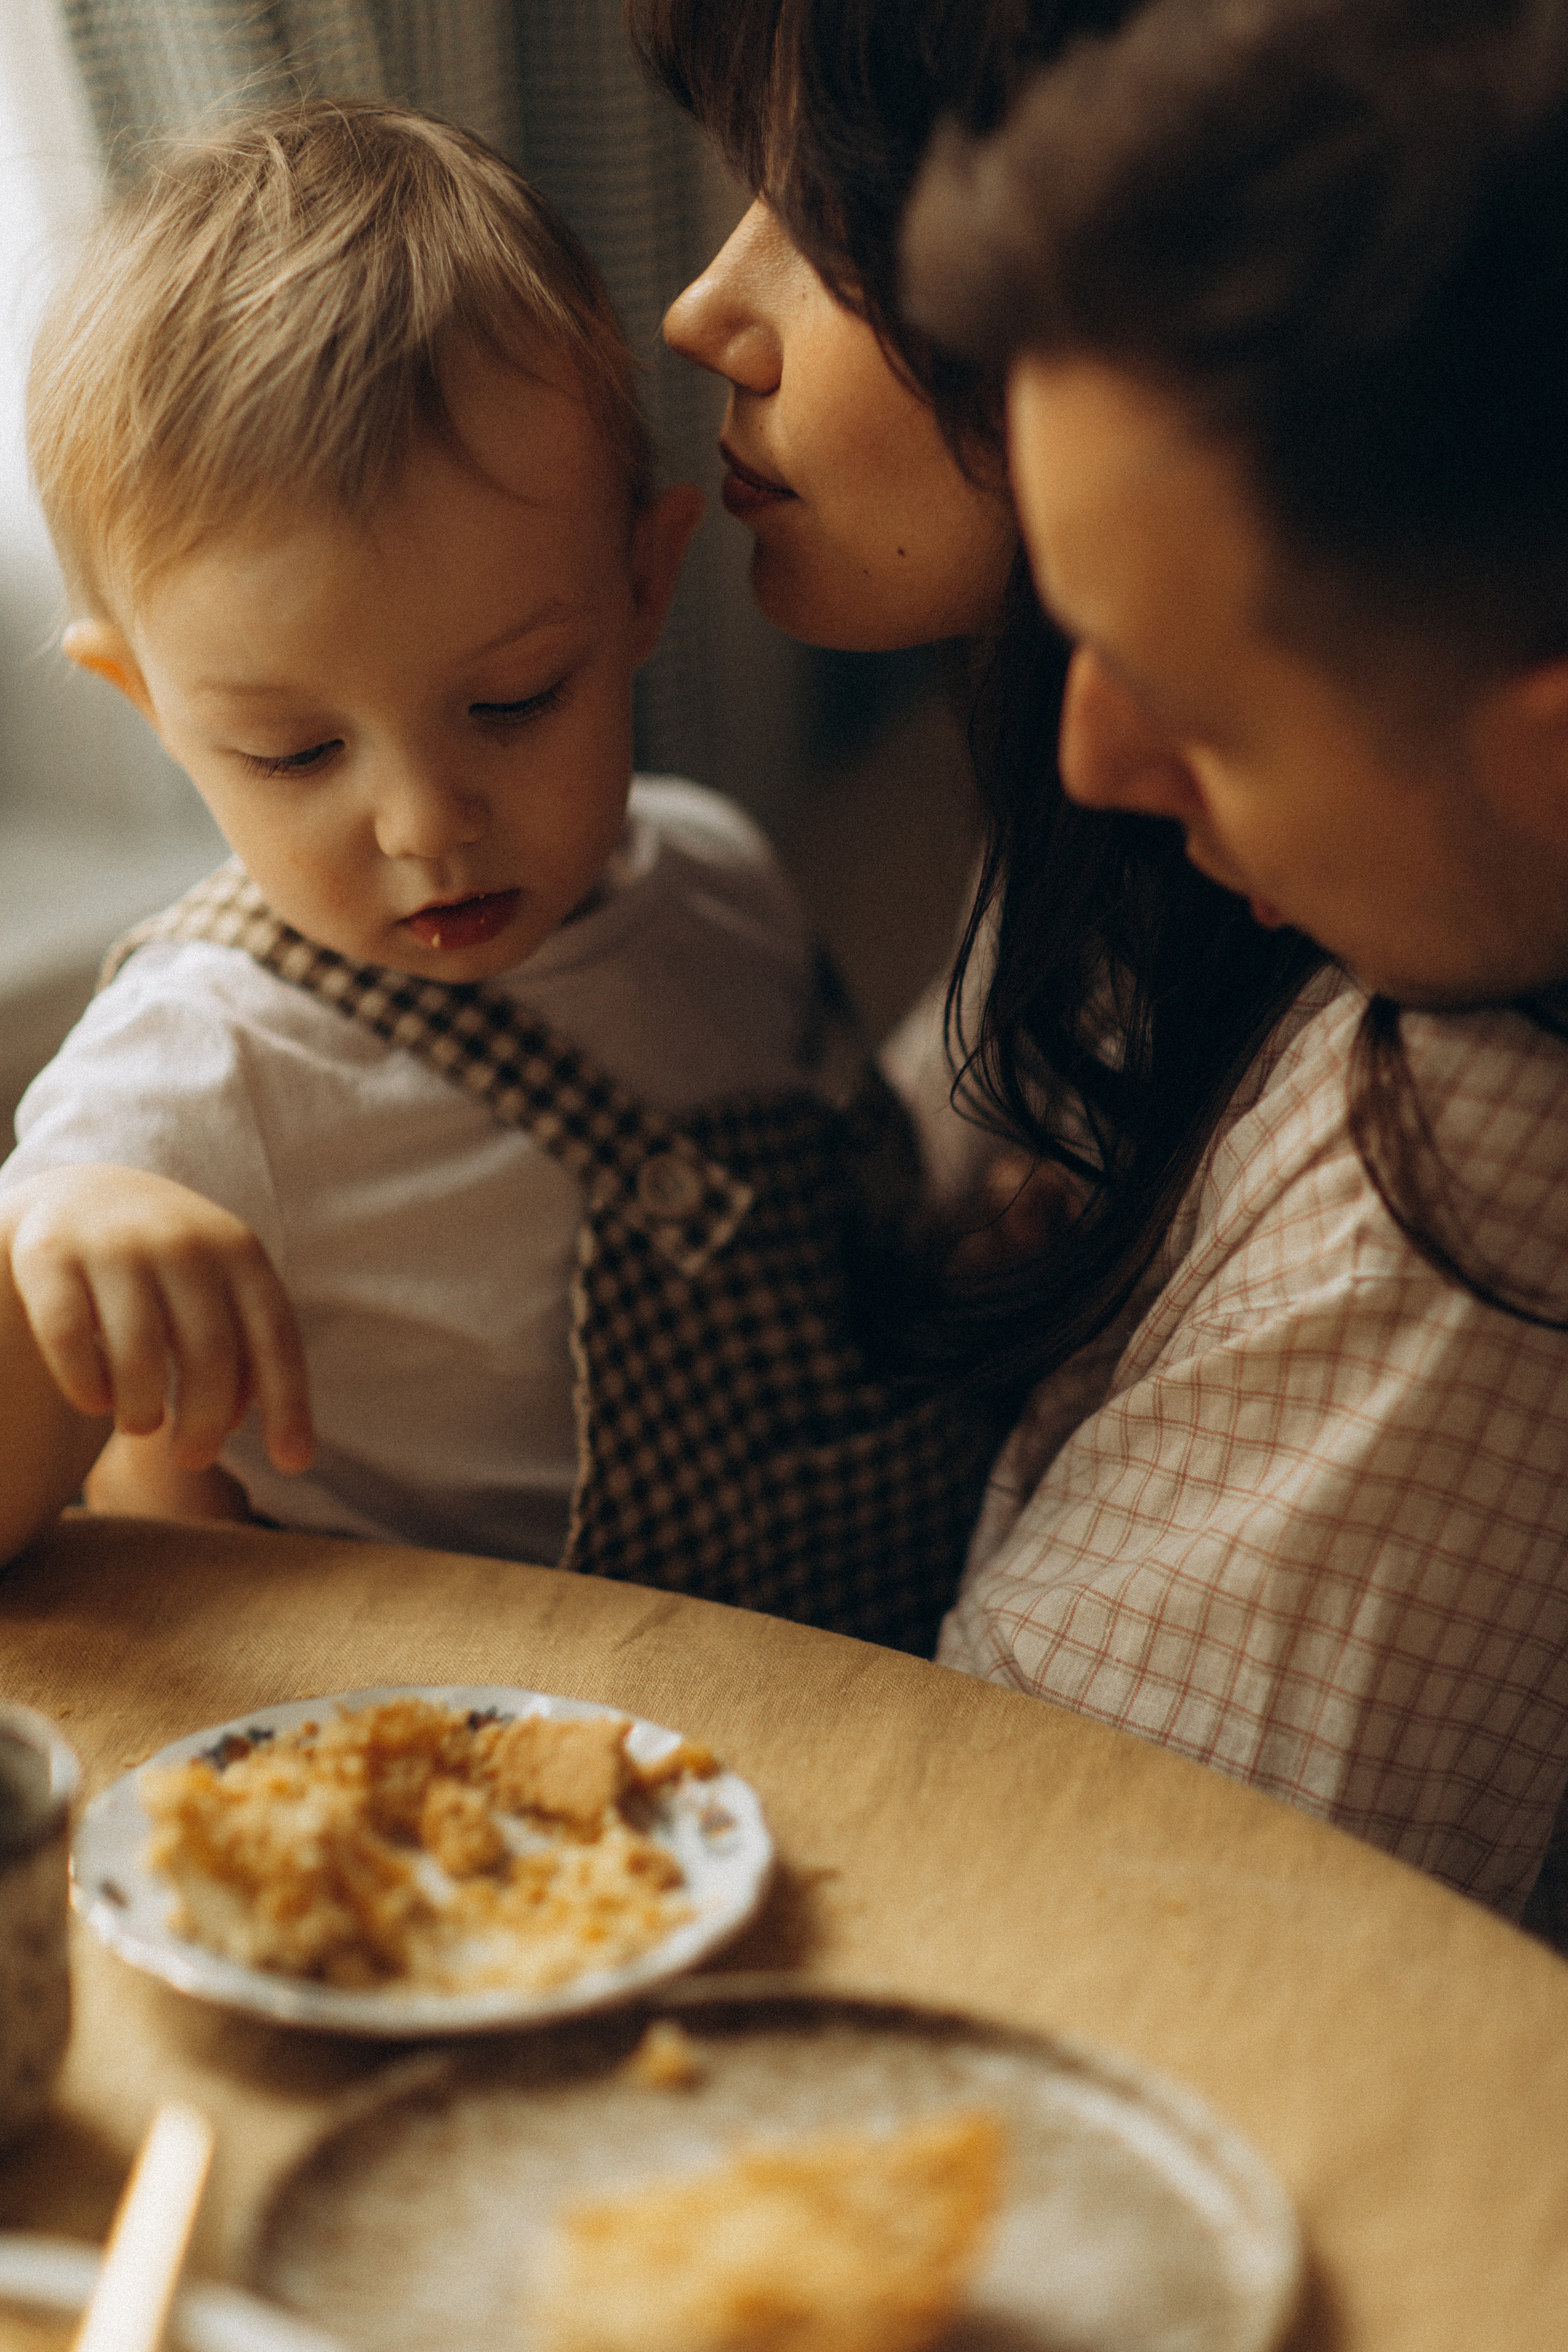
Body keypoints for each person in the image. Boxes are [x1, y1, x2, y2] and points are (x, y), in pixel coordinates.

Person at [639, 0, 1568, 1919]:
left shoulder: (1472, 1157)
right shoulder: (1204, 864)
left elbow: (1062, 1914)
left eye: (823, 223)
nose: (1089, 753)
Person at [0, 99, 1000, 1652]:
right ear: (149, 707)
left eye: (514, 700)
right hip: (483, 1763)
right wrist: (43, 1243)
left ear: (642, 582)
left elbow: (848, 1256)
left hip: (875, 1674)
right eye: (292, 754)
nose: (422, 825)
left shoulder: (723, 882)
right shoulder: (203, 1067)